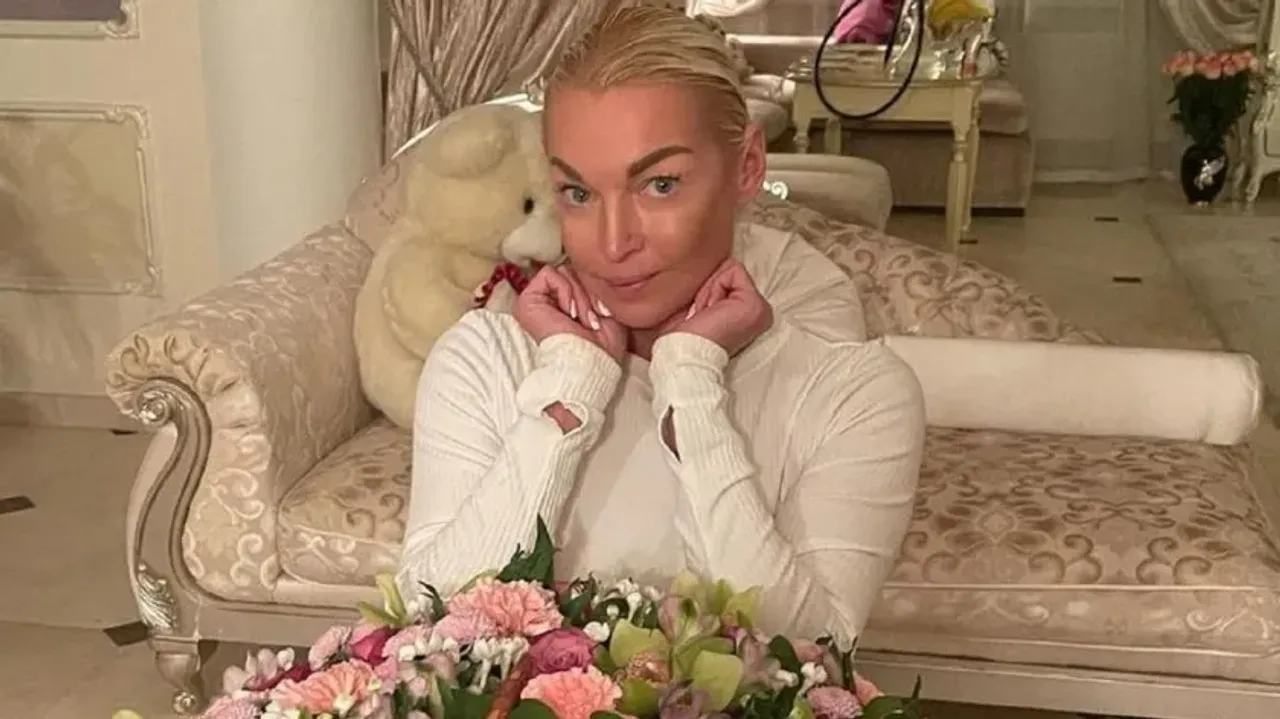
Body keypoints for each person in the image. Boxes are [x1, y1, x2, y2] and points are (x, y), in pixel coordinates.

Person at [398, 5, 925, 642]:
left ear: (748, 166)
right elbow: (426, 626)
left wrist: (691, 381)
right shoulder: (484, 358)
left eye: (660, 185)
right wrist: (570, 389)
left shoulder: (854, 394)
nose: (613, 243)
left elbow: (808, 654)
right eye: (578, 194)